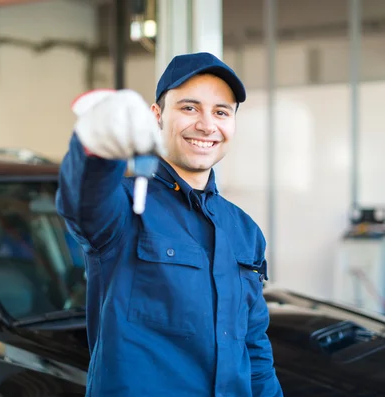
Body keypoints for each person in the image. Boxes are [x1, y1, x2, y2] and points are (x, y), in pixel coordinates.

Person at [56, 52, 284, 397]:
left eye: (221, 112)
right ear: (157, 116)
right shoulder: (124, 207)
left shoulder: (245, 231)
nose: (207, 125)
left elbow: (254, 346)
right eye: (189, 108)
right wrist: (97, 142)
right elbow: (82, 199)